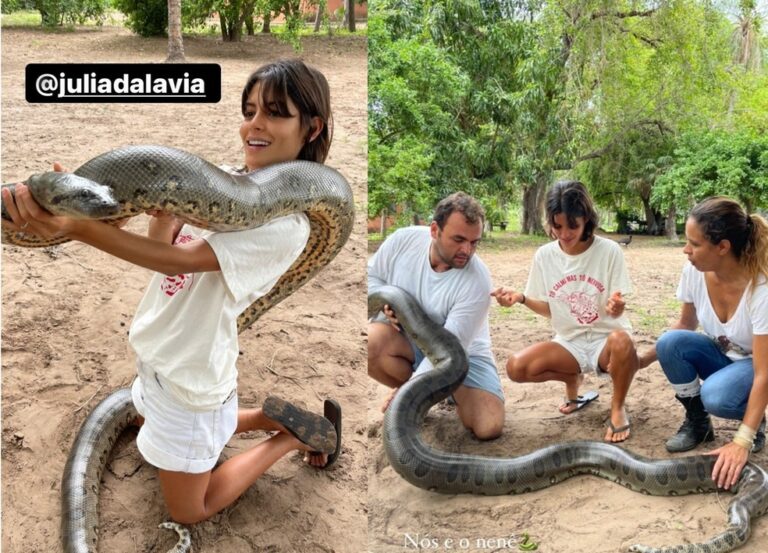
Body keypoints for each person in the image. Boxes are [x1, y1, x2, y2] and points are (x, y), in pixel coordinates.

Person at [1, 59, 342, 524]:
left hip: (192, 376)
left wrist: (79, 230)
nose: (254, 125)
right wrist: (152, 206)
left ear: (311, 127)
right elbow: (160, 248)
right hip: (159, 353)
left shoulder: (286, 228)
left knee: (189, 510)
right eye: (248, 111)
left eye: (275, 112)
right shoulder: (225, 180)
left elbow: (178, 261)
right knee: (148, 419)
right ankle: (262, 415)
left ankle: (286, 439)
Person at [637, 197, 768, 490]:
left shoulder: (762, 289)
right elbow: (685, 325)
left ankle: (755, 424)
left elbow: (763, 373)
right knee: (670, 342)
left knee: (717, 396)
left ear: (722, 247)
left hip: (758, 365)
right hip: (726, 356)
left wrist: (740, 442)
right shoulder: (694, 273)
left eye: (694, 244)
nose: (686, 250)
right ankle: (698, 423)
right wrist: (641, 360)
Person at [492, 180, 638, 443]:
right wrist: (521, 298)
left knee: (623, 340)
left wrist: (616, 307)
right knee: (516, 368)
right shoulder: (544, 256)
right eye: (557, 226)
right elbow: (551, 310)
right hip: (569, 342)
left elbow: (616, 308)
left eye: (573, 226)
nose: (565, 234)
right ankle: (573, 377)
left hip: (606, 340)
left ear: (587, 220)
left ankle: (617, 407)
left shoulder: (609, 251)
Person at [367, 192, 505, 440]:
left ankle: (435, 393)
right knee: (371, 343)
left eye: (474, 242)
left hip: (463, 355)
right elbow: (371, 277)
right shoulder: (403, 241)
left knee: (489, 426)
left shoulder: (477, 281)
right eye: (459, 239)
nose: (467, 250)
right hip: (411, 343)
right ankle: (423, 396)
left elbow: (448, 353)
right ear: (434, 230)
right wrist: (384, 304)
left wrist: (409, 394)